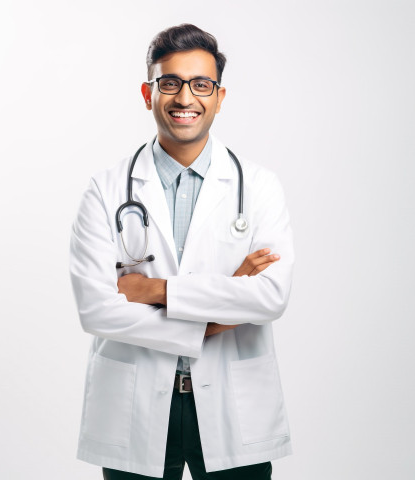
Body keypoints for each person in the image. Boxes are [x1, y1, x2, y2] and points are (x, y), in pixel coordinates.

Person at [69, 23, 294, 480]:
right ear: (147, 92)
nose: (184, 98)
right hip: (135, 408)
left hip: (233, 405)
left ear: (219, 96)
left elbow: (270, 297)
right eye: (169, 82)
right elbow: (97, 311)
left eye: (201, 84)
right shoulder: (105, 190)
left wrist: (152, 289)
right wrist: (220, 309)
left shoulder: (260, 187)